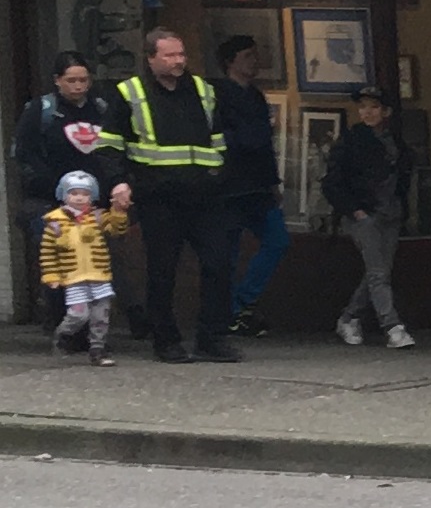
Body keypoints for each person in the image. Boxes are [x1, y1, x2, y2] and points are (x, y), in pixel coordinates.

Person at [93, 26, 243, 364]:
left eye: (181, 54)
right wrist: (119, 183)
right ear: (150, 58)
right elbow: (109, 145)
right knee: (162, 271)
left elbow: (218, 139)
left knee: (219, 264)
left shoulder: (203, 91)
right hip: (159, 197)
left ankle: (212, 338)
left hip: (204, 195)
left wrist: (220, 174)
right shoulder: (130, 93)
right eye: (170, 55)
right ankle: (166, 341)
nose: (178, 61)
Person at [13, 55, 107, 338]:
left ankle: (93, 328)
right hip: (50, 201)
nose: (78, 86)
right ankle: (61, 324)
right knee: (59, 260)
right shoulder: (42, 110)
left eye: (83, 80)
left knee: (93, 261)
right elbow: (24, 153)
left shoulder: (99, 109)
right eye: (71, 80)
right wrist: (52, 186)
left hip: (91, 203)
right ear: (57, 81)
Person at [322, 87, 415, 350]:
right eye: (363, 107)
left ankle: (349, 317)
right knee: (378, 273)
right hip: (364, 215)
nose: (367, 112)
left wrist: (402, 209)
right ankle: (392, 327)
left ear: (386, 112)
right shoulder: (351, 141)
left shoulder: (395, 142)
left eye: (374, 107)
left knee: (380, 272)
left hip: (391, 214)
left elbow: (402, 178)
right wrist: (355, 210)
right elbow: (332, 182)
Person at [215, 37, 287, 335]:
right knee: (228, 253)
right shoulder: (219, 95)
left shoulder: (256, 96)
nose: (254, 62)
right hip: (231, 186)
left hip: (259, 186)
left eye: (255, 55)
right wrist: (251, 137)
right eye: (247, 56)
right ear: (230, 62)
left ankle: (243, 301)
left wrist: (273, 182)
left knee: (278, 240)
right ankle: (229, 312)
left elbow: (265, 145)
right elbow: (227, 138)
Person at [38, 169, 129, 364]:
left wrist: (119, 211)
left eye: (85, 194)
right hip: (74, 277)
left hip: (99, 276)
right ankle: (64, 334)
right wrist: (51, 275)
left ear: (92, 196)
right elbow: (48, 252)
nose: (79, 198)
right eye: (73, 193)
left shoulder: (98, 217)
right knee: (78, 314)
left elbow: (116, 229)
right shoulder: (55, 223)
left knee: (101, 317)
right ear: (64, 195)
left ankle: (98, 349)